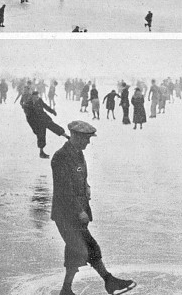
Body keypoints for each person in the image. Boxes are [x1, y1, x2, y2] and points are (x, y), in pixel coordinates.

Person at [51, 121, 136, 295]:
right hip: (66, 215)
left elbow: (79, 177)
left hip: (78, 212)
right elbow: (64, 189)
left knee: (80, 249)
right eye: (86, 139)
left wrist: (86, 186)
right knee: (84, 248)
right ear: (75, 136)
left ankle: (67, 289)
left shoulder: (77, 153)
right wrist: (79, 211)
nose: (88, 143)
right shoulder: (61, 157)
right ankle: (108, 281)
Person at [23, 90, 67, 158]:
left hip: (45, 119)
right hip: (38, 123)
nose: (37, 98)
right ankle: (41, 152)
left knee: (55, 127)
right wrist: (34, 127)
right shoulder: (28, 105)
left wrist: (52, 111)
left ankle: (67, 136)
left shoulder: (39, 100)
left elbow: (45, 106)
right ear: (32, 97)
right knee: (41, 136)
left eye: (38, 97)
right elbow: (29, 119)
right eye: (35, 97)